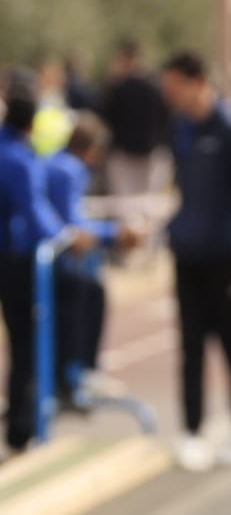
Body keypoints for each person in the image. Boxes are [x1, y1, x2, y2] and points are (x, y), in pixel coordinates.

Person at [159, 52, 231, 472]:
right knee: (190, 347)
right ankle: (192, 432)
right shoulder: (180, 129)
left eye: (175, 87)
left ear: (197, 81)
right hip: (187, 256)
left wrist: (226, 229)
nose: (170, 95)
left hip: (225, 256)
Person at [0, 72, 87, 455]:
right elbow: (35, 213)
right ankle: (23, 426)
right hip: (14, 260)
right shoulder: (18, 158)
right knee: (27, 342)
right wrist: (70, 238)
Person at [43, 120, 143, 403]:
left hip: (43, 256)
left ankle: (70, 374)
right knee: (88, 293)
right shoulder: (69, 169)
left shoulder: (57, 163)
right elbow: (72, 223)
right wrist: (114, 234)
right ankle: (80, 372)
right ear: (91, 149)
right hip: (49, 260)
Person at [98, 40, 173, 211]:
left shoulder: (118, 88)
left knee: (127, 210)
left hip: (127, 157)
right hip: (150, 155)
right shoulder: (156, 86)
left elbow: (105, 117)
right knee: (148, 209)